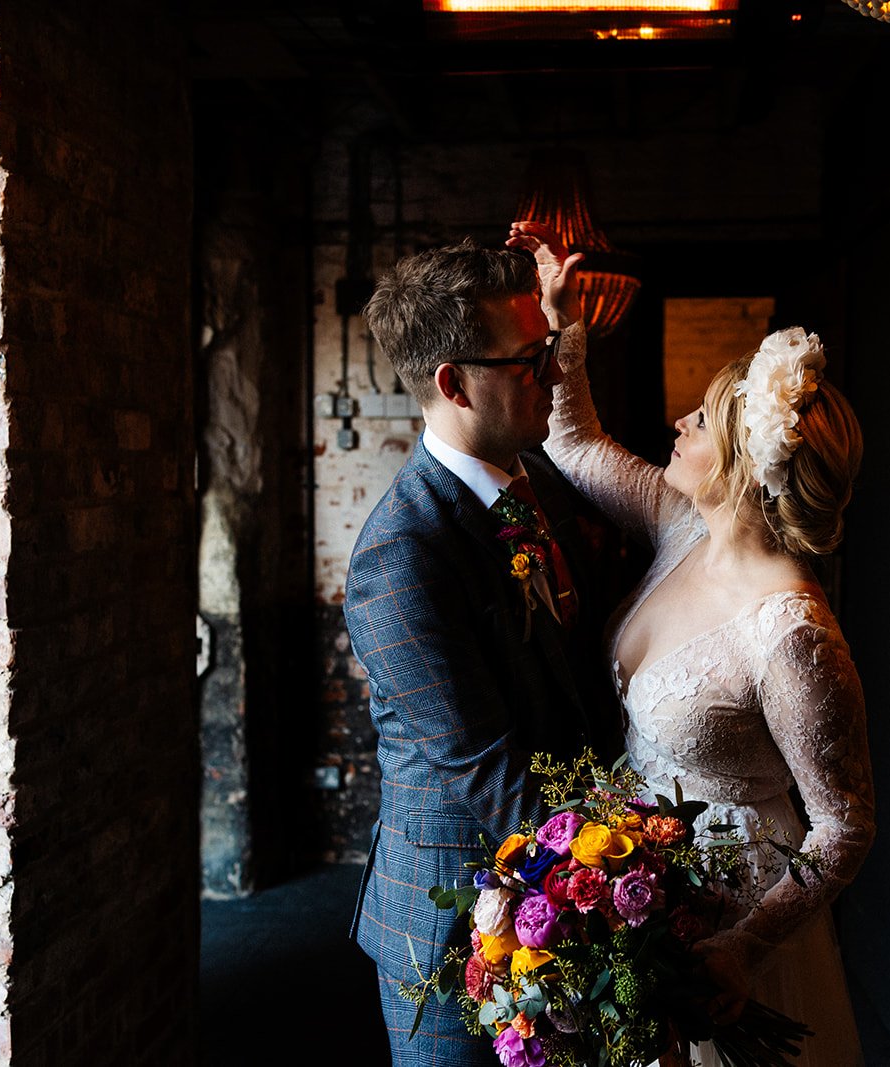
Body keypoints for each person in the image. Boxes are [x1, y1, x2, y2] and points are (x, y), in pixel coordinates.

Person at [509, 220, 877, 1066]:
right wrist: (561, 321)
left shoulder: (792, 634)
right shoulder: (681, 525)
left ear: (745, 465)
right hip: (634, 887)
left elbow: (845, 826)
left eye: (702, 421)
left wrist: (745, 944)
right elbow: (573, 442)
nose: (677, 422)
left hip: (731, 910)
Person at [344, 240, 621, 1066]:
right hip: (456, 932)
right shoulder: (401, 552)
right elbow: (491, 769)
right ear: (452, 382)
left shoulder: (533, 482)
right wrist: (637, 881)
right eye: (532, 359)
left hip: (554, 890)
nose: (555, 374)